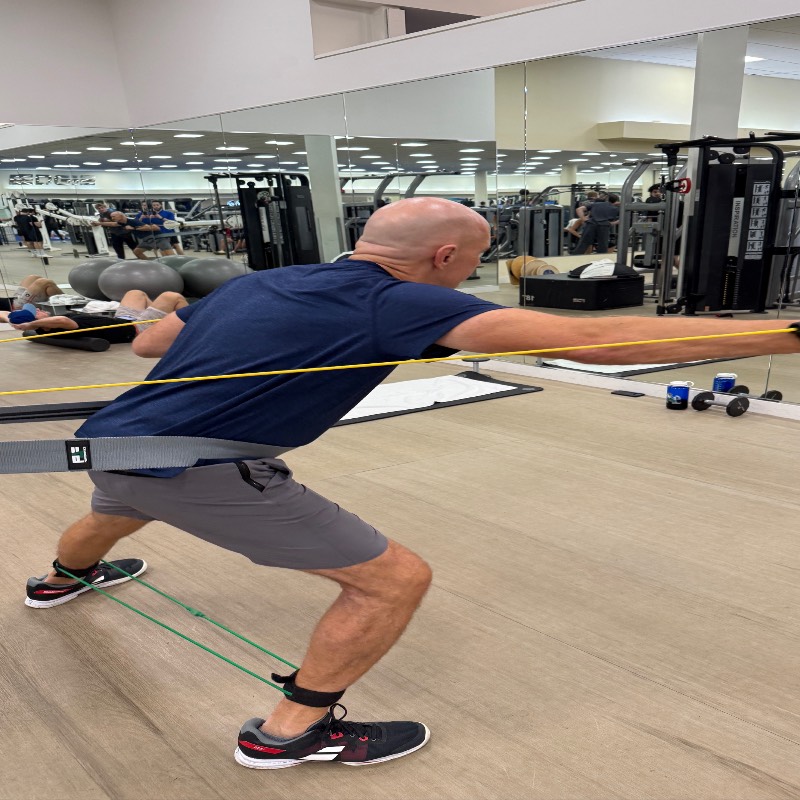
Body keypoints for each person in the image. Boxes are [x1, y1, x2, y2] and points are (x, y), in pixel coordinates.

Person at [24, 198, 800, 769]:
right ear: (446, 257)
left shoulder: (263, 281)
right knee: (393, 582)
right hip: (200, 465)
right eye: (473, 260)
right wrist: (786, 333)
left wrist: (208, 323)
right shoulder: (406, 301)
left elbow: (148, 346)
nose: (469, 273)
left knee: (119, 509)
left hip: (116, 441)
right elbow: (595, 340)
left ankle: (62, 580)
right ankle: (291, 733)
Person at [1, 290, 187, 342]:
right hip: (136, 329)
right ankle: (197, 328)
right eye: (36, 312)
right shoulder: (57, 327)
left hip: (123, 319)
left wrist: (11, 320)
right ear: (37, 322)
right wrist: (29, 325)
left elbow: (2, 313)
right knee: (171, 297)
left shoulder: (44, 325)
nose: (38, 309)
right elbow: (62, 320)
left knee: (135, 293)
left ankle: (163, 324)